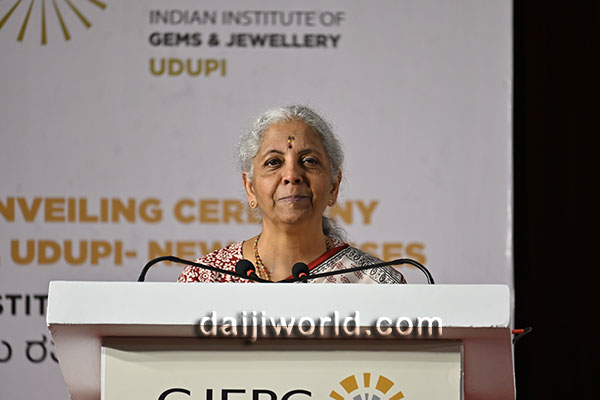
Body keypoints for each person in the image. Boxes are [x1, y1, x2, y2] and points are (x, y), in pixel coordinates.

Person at [178, 105, 406, 283]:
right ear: (250, 188)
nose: (292, 175)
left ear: (333, 186)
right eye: (274, 162)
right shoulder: (206, 279)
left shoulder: (375, 285)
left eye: (309, 161)